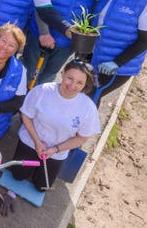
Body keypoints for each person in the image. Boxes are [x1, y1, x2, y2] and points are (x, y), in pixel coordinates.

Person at [10, 59, 100, 191]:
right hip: (31, 140)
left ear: (84, 85)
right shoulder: (42, 90)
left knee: (42, 187)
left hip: (57, 151)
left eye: (79, 83)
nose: (72, 85)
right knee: (17, 175)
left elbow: (81, 138)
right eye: (70, 78)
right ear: (62, 74)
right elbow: (26, 115)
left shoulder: (88, 107)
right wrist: (37, 142)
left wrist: (55, 149)